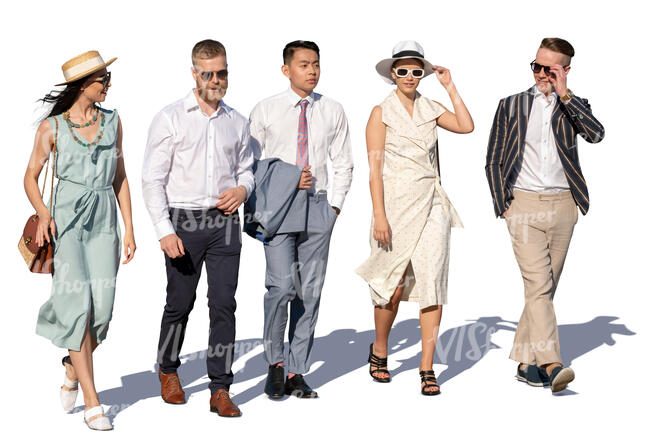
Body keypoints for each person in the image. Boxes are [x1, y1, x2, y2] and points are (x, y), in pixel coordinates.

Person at [485, 37, 605, 393]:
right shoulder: (511, 104)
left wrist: (564, 94)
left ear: (564, 70)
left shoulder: (574, 105)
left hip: (564, 205)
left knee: (543, 289)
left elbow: (596, 135)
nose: (540, 73)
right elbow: (493, 157)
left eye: (549, 69)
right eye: (536, 66)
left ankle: (526, 364)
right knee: (539, 286)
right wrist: (502, 202)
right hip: (521, 204)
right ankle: (552, 365)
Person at [25, 50, 136, 430]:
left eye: (108, 78)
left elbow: (119, 174)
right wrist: (43, 213)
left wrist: (130, 229)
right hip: (66, 223)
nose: (108, 84)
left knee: (101, 311)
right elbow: (30, 177)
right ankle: (93, 401)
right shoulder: (52, 129)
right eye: (103, 79)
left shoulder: (113, 122)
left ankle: (73, 366)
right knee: (76, 306)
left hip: (104, 221)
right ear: (83, 85)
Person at [142, 39, 254, 417]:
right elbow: (151, 179)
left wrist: (242, 188)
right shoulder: (170, 118)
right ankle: (168, 369)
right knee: (179, 304)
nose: (216, 80)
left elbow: (246, 169)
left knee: (224, 305)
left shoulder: (237, 121)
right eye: (208, 73)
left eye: (222, 72)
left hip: (225, 224)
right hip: (184, 222)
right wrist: (164, 229)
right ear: (194, 74)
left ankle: (220, 387)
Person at [355, 40, 473, 395]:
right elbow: (374, 170)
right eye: (403, 70)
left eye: (416, 70)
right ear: (392, 74)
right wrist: (379, 214)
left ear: (423, 74)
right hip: (394, 205)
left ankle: (427, 366)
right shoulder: (380, 112)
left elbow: (466, 126)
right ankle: (379, 348)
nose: (409, 76)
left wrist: (449, 85)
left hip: (432, 203)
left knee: (432, 283)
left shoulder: (431, 107)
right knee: (389, 283)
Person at [249, 40, 353, 399]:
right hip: (279, 208)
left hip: (319, 207)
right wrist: (289, 178)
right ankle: (274, 364)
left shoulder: (333, 110)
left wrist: (334, 209)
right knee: (280, 287)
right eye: (304, 64)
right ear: (286, 70)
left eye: (316, 64)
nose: (312, 70)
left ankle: (297, 370)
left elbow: (344, 162)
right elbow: (250, 166)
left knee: (309, 292)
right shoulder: (266, 109)